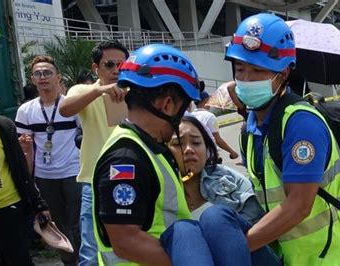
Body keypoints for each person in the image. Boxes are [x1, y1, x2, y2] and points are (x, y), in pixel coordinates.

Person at [93, 44, 257, 266]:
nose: (182, 119)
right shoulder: (126, 158)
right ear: (168, 105)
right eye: (184, 108)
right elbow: (125, 241)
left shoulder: (148, 148)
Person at [225, 13, 340, 265]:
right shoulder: (252, 127)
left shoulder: (300, 123)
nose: (246, 80)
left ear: (284, 73)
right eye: (240, 69)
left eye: (258, 71)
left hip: (329, 258)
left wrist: (237, 250)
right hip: (289, 257)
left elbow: (299, 205)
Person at [59, 39, 129, 265]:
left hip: (133, 176)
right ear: (95, 68)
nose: (116, 70)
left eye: (122, 64)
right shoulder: (85, 90)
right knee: (90, 246)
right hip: (95, 180)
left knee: (133, 239)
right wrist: (100, 90)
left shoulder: (138, 91)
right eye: (109, 65)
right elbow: (65, 109)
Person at [15, 56, 82, 265]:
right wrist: (28, 179)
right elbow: (26, 150)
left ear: (58, 77)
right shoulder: (26, 111)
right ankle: (69, 261)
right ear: (33, 79)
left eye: (47, 72)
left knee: (79, 221)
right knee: (57, 224)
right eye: (38, 74)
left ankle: (84, 260)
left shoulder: (72, 106)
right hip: (45, 176)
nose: (43, 77)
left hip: (74, 172)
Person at [0, 81, 51, 265]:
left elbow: (20, 169)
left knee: (17, 259)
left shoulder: (3, 127)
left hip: (9, 208)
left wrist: (38, 203)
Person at [168, 115, 263, 223]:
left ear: (206, 147)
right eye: (178, 144)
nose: (189, 150)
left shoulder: (228, 177)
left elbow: (257, 220)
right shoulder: (158, 191)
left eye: (196, 143)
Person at [192, 91, 239, 160]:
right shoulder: (210, 116)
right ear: (205, 100)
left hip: (195, 155)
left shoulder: (191, 116)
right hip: (209, 156)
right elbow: (217, 139)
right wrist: (232, 152)